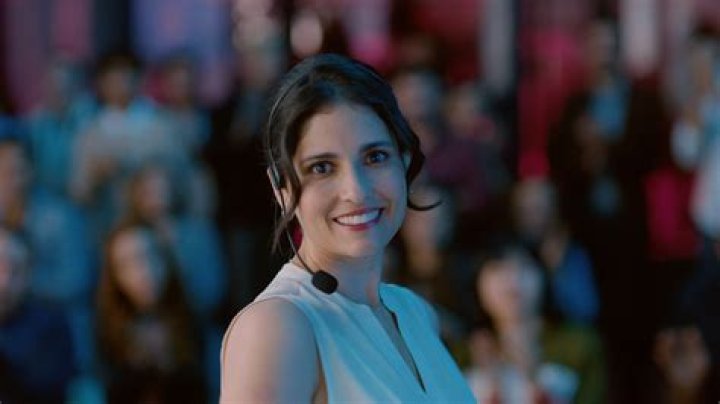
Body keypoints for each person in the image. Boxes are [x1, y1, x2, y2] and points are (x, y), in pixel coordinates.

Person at [220, 54, 475, 402]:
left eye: (375, 157)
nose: (356, 190)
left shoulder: (416, 313)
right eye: (322, 167)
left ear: (403, 162)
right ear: (281, 188)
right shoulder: (278, 327)